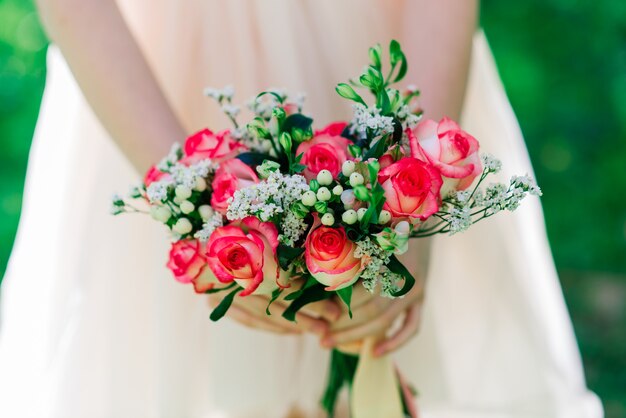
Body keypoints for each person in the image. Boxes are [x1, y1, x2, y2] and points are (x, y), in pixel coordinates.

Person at [0, 0, 602, 417]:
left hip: (392, 64)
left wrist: (412, 200)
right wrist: (197, 207)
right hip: (154, 99)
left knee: (383, 381)